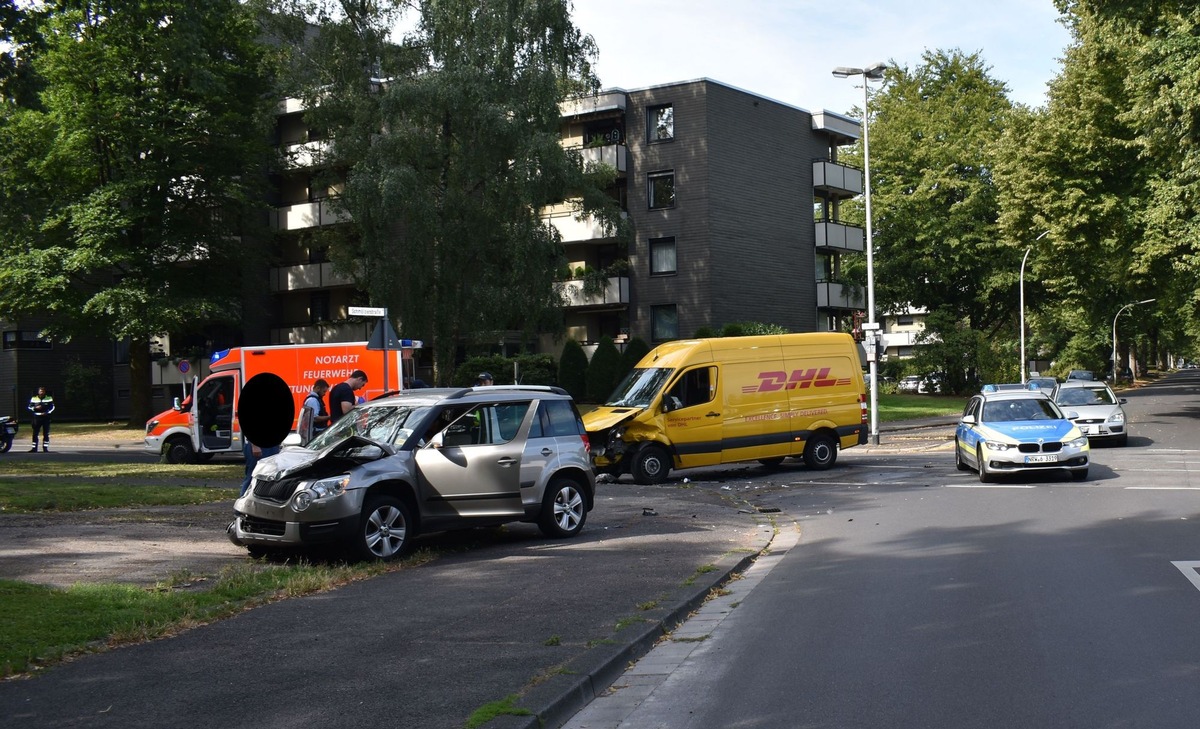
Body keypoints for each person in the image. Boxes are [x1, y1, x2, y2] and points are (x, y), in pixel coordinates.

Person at [27, 386, 55, 453]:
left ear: (45, 392)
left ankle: (45, 448)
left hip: (46, 417)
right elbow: (29, 407)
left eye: (43, 391)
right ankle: (34, 448)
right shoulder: (34, 398)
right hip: (37, 417)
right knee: (35, 433)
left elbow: (52, 407)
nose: (41, 392)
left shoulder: (49, 398)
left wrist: (47, 412)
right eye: (40, 391)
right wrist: (35, 407)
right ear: (38, 392)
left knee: (46, 433)